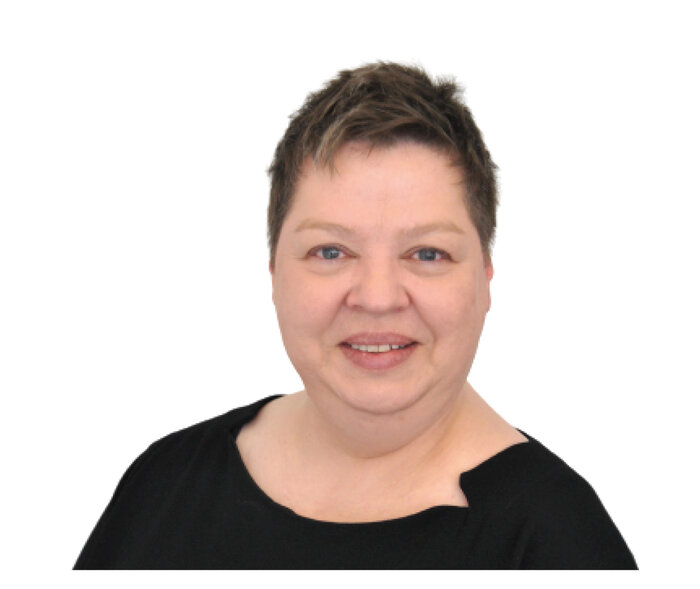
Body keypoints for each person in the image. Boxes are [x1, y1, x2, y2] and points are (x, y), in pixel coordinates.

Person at [74, 62, 637, 569]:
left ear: (485, 278)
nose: (377, 297)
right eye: (331, 251)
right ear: (274, 272)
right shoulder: (166, 483)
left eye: (427, 254)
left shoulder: (558, 544)